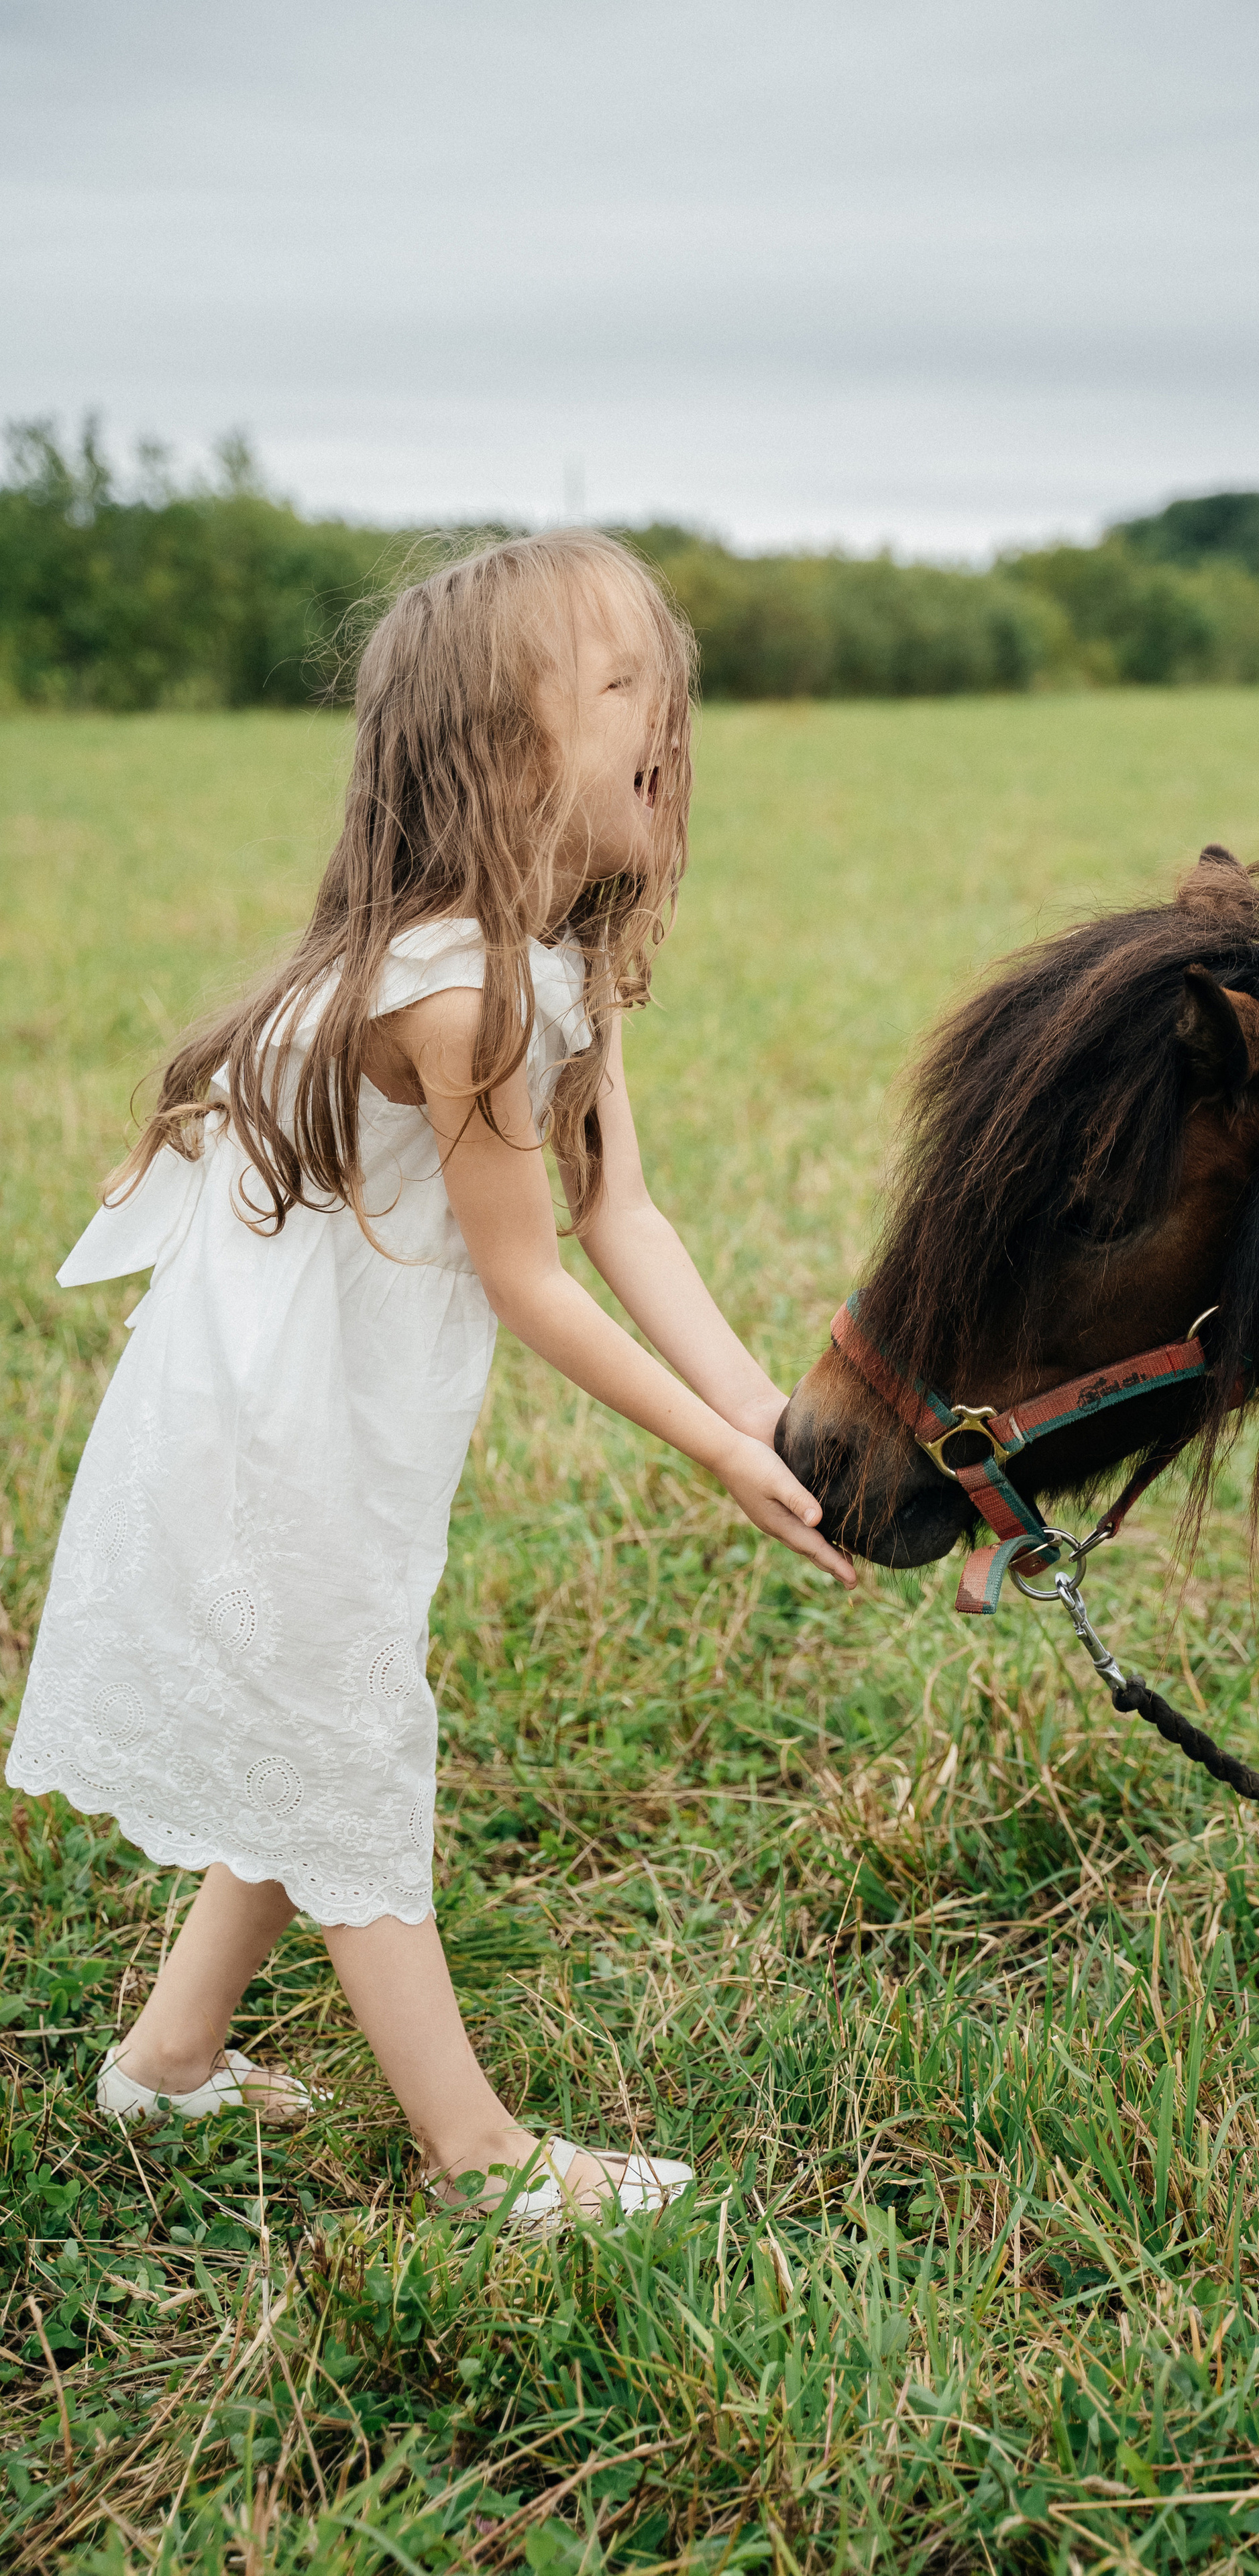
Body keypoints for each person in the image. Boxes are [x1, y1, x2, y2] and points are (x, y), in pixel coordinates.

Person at [6, 528, 855, 2231]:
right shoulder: (453, 984)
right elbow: (528, 1276)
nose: (662, 719)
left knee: (305, 1711)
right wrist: (713, 1454)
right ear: (501, 754)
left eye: (657, 685)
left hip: (341, 1404)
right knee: (340, 1727)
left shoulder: (558, 953)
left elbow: (622, 1209)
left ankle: (168, 2060)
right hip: (268, 1417)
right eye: (620, 687)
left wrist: (775, 1422)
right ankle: (476, 2157)